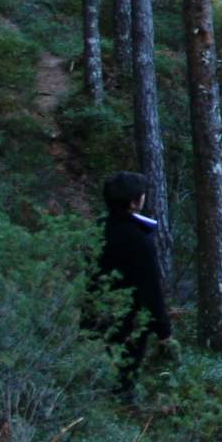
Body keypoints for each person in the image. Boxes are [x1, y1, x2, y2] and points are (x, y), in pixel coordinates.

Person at [93, 171, 171, 399]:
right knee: (124, 376)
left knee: (101, 369)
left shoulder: (98, 228)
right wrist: (164, 330)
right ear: (134, 201)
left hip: (96, 311)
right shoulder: (139, 240)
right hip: (130, 318)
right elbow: (151, 288)